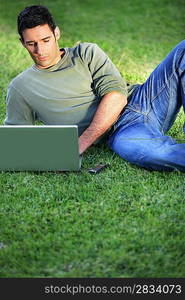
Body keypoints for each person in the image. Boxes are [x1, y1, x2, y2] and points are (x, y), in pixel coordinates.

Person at [4, 5, 185, 172]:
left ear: (56, 33)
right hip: (122, 131)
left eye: (45, 40)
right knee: (153, 154)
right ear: (22, 43)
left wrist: (80, 144)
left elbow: (117, 97)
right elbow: (16, 143)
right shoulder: (21, 88)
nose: (40, 50)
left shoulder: (86, 53)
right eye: (31, 44)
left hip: (145, 100)